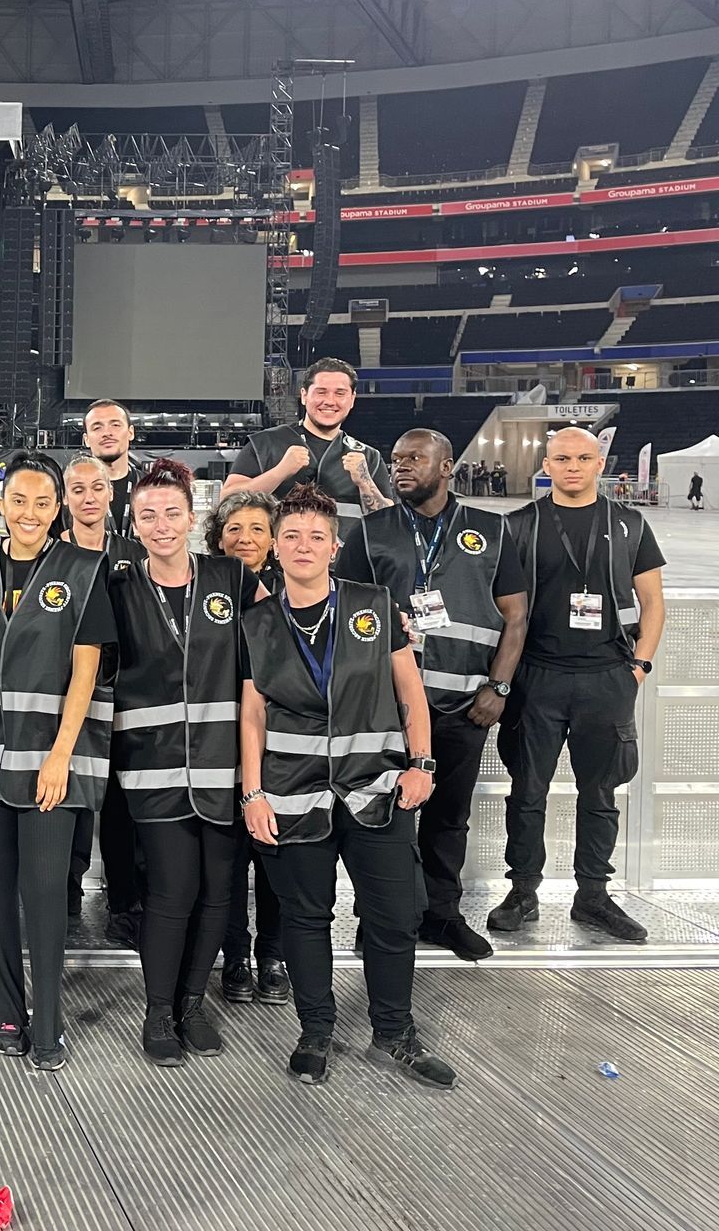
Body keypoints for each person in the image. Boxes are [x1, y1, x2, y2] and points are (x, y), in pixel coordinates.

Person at [239, 484, 454, 1090]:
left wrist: (423, 764)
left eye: (316, 537)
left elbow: (411, 693)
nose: (303, 546)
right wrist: (252, 794)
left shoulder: (375, 604)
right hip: (291, 795)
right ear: (275, 549)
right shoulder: (256, 623)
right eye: (291, 536)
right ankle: (316, 1030)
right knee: (305, 918)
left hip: (376, 792)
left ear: (335, 548)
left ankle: (395, 1033)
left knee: (393, 915)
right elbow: (251, 716)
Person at [0, 451, 112, 1070]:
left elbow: (87, 668)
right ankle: (7, 1012)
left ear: (60, 507)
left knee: (44, 894)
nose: (31, 514)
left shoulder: (83, 569)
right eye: (19, 500)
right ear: (0, 501)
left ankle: (47, 1022)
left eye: (45, 502)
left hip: (51, 753)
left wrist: (61, 754)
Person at [337, 429, 528, 962]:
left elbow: (516, 616)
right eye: (395, 461)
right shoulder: (371, 533)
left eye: (414, 460)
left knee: (448, 819)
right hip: (388, 710)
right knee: (386, 819)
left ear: (447, 467)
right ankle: (381, 917)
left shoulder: (490, 530)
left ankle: (441, 916)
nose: (400, 468)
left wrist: (499, 687)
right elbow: (345, 616)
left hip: (466, 705)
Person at [488, 426, 665, 944]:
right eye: (562, 458)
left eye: (583, 458)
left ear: (598, 462)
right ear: (546, 463)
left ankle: (593, 895)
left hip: (606, 677)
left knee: (601, 793)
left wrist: (640, 667)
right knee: (527, 792)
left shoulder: (629, 524)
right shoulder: (518, 525)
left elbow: (653, 603)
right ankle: (523, 891)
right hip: (536, 678)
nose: (572, 467)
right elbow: (499, 605)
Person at [110, 460, 259, 1065]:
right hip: (154, 768)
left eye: (173, 512)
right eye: (149, 515)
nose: (162, 524)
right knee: (173, 890)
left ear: (192, 518)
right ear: (135, 524)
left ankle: (192, 1003)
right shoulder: (118, 589)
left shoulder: (232, 577)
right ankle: (157, 1011)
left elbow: (282, 638)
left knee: (219, 892)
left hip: (225, 768)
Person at [200, 488, 287, 1003]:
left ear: (273, 540)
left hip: (279, 747)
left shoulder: (295, 588)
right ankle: (235, 956)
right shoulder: (202, 588)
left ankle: (272, 955)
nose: (245, 538)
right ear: (216, 538)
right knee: (228, 863)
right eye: (234, 529)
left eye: (257, 529)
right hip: (219, 745)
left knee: (274, 856)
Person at [59, 453, 145, 947]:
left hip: (125, 698)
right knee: (70, 802)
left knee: (119, 805)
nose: (88, 497)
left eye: (97, 488)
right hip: (69, 697)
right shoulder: (51, 553)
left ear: (110, 492)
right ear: (66, 498)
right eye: (78, 490)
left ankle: (124, 904)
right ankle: (65, 898)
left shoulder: (135, 554)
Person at [222, 358, 394, 521]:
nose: (330, 401)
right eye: (321, 392)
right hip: (275, 551)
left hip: (345, 552)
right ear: (304, 395)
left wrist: (365, 483)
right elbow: (227, 499)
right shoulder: (265, 443)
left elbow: (389, 520)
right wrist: (280, 472)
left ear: (352, 400)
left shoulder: (368, 457)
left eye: (340, 393)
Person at [83, 399, 150, 539]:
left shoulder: (151, 488)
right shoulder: (72, 493)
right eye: (97, 427)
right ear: (86, 439)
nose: (107, 433)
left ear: (131, 432)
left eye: (115, 425)